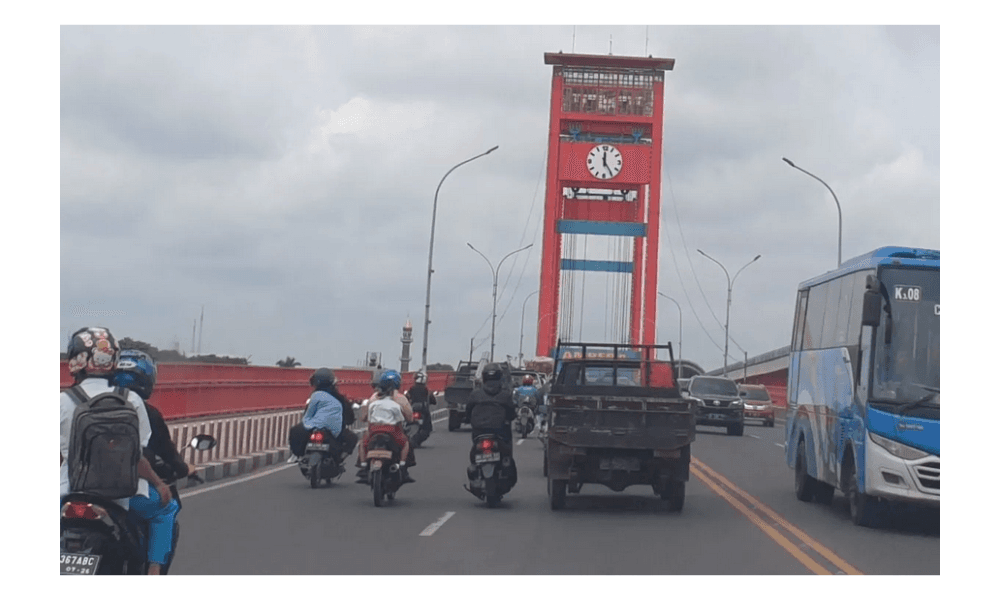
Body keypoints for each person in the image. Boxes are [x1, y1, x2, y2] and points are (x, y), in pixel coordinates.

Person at [61, 327, 177, 575]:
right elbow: (137, 458)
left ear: (76, 359)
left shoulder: (61, 401)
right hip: (119, 497)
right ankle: (154, 571)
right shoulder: (131, 400)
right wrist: (159, 483)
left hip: (67, 493)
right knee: (166, 507)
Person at [357, 370, 415, 484]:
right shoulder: (399, 401)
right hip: (392, 431)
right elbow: (403, 420)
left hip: (374, 430)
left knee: (363, 443)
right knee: (406, 443)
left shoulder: (373, 400)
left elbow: (368, 419)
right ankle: (403, 466)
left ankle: (363, 467)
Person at [288, 368, 358, 462]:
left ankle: (296, 456)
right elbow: (349, 417)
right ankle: (339, 459)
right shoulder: (340, 399)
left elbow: (307, 415)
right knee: (353, 438)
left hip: (313, 428)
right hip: (332, 431)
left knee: (295, 431)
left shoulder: (315, 397)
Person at [465, 363, 517, 484]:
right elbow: (511, 413)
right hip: (500, 432)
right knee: (507, 454)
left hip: (479, 432)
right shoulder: (505, 395)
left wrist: (469, 420)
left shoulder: (476, 394)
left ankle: (475, 467)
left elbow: (468, 411)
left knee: (475, 450)